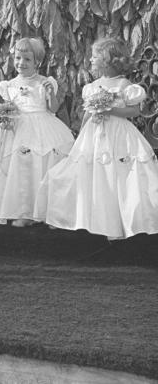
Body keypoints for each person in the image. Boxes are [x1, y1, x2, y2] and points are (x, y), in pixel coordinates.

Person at [35, 37, 158, 239]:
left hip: (118, 134)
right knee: (89, 172)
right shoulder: (92, 87)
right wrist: (81, 136)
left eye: (94, 57)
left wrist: (110, 109)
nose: (90, 60)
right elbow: (87, 113)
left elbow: (134, 111)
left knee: (115, 174)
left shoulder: (123, 85)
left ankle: (117, 222)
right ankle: (81, 216)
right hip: (94, 134)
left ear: (108, 60)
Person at [0, 37, 74, 227]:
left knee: (43, 162)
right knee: (20, 166)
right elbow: (10, 108)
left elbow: (53, 109)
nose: (21, 63)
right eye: (17, 58)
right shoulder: (9, 85)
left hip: (42, 125)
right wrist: (5, 118)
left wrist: (50, 95)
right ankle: (23, 211)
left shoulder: (45, 82)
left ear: (37, 62)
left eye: (27, 59)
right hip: (19, 127)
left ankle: (50, 212)